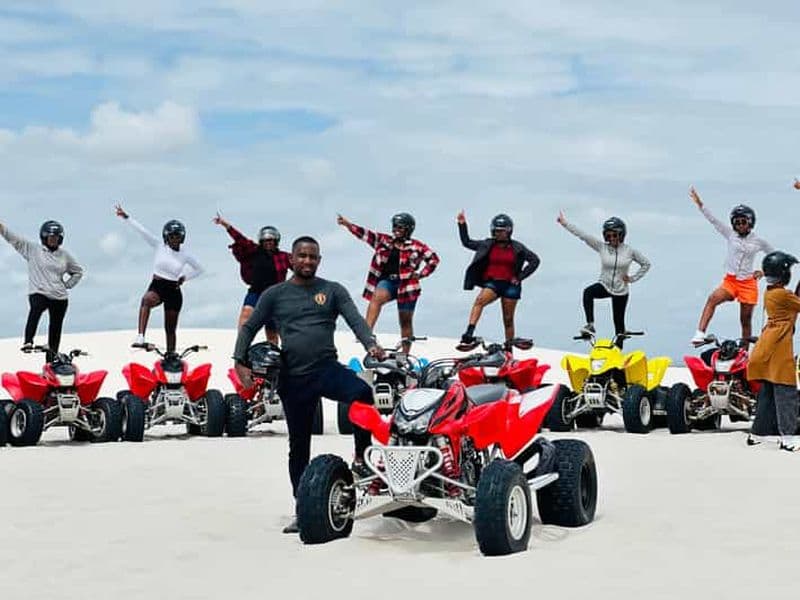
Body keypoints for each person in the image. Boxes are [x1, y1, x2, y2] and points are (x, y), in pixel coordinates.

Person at [232, 236, 385, 534]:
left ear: (319, 261)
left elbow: (355, 319)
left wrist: (371, 345)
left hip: (326, 368)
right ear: (291, 259)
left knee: (362, 393)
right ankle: (303, 507)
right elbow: (250, 326)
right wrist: (239, 361)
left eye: (313, 257)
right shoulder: (275, 294)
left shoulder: (332, 290)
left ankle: (361, 457)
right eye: (302, 256)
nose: (307, 261)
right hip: (293, 377)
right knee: (299, 447)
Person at [336, 212, 439, 353]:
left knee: (405, 321)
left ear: (408, 229)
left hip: (407, 285)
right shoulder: (384, 240)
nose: (395, 229)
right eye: (394, 226)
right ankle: (367, 335)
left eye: (400, 227)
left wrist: (421, 274)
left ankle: (405, 353)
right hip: (388, 282)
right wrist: (348, 224)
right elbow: (365, 234)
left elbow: (434, 259)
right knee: (376, 299)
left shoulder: (417, 246)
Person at [688, 187, 773, 346]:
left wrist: (763, 271)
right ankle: (700, 333)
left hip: (748, 283)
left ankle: (744, 353)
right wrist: (700, 204)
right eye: (737, 222)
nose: (740, 225)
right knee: (713, 299)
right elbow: (713, 220)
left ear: (750, 222)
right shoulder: (730, 234)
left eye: (744, 222)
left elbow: (773, 255)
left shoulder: (758, 241)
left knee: (745, 320)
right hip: (731, 281)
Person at [115, 204, 203, 352]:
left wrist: (185, 277)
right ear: (166, 237)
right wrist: (126, 217)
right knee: (146, 300)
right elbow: (142, 231)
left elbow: (200, 269)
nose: (175, 239)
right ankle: (140, 336)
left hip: (173, 290)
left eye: (177, 236)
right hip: (158, 286)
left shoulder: (185, 254)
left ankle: (171, 355)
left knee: (170, 328)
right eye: (172, 236)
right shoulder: (159, 246)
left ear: (182, 238)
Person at [557, 210, 650, 348]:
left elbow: (646, 264)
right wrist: (565, 223)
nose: (612, 238)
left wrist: (633, 278)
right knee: (588, 292)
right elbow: (583, 235)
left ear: (621, 234)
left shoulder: (629, 251)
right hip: (604, 285)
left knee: (619, 327)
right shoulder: (602, 247)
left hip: (621, 290)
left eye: (615, 235)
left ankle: (618, 357)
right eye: (609, 235)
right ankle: (590, 325)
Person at [456, 211, 540, 346]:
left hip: (511, 285)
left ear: (509, 231)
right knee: (479, 301)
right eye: (496, 231)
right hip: (493, 283)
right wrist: (462, 224)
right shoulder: (487, 244)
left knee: (508, 319)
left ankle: (509, 349)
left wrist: (520, 277)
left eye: (501, 231)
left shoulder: (517, 247)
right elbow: (467, 242)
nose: (498, 233)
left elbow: (535, 260)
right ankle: (469, 333)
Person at [0, 219, 83, 353]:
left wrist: (68, 285)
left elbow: (78, 271)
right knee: (36, 309)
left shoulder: (64, 255)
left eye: (56, 238)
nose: (53, 240)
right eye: (51, 237)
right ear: (44, 237)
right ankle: (28, 341)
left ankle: (52, 360)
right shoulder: (32, 249)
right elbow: (12, 238)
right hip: (39, 292)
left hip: (59, 297)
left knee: (55, 328)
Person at [746, 251, 800, 452]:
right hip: (778, 350)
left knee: (767, 395)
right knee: (786, 396)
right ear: (783, 274)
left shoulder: (771, 292)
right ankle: (788, 439)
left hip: (766, 347)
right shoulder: (783, 295)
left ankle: (756, 434)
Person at [212, 212, 291, 343]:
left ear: (276, 241)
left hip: (275, 295)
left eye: (271, 240)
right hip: (256, 291)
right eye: (266, 240)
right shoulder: (254, 250)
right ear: (261, 241)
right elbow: (240, 239)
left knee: (272, 329)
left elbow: (300, 267)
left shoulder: (284, 256)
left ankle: (274, 354)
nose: (269, 243)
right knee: (246, 315)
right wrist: (226, 225)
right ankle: (241, 347)